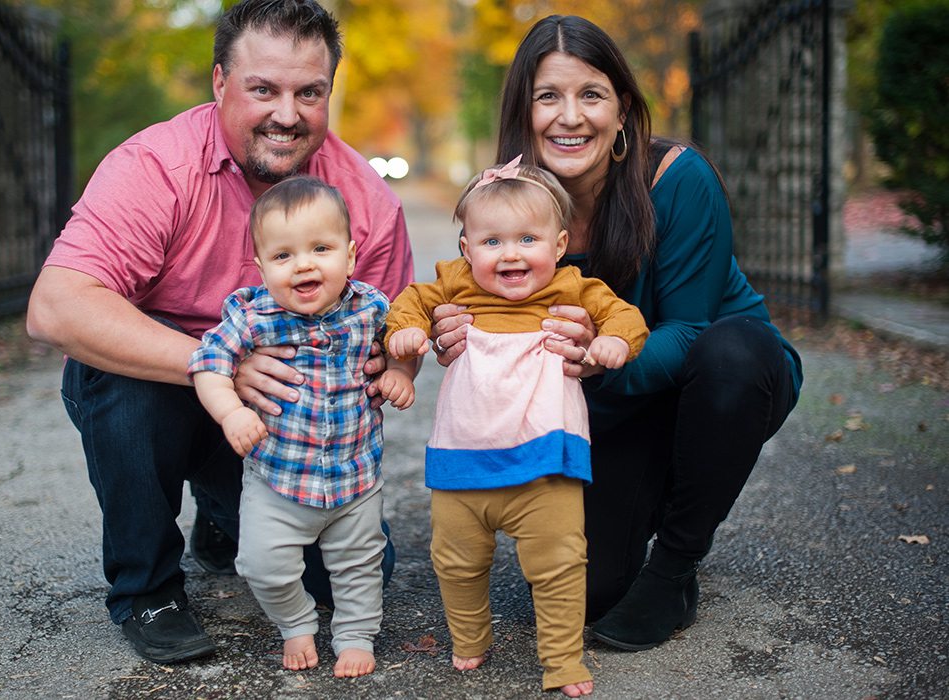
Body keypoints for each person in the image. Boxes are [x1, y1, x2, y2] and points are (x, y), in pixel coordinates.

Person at [25, 0, 414, 664]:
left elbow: (394, 331)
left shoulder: (367, 204)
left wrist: (398, 360)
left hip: (285, 424)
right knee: (121, 380)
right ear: (218, 84)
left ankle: (221, 514)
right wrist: (219, 365)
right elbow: (56, 308)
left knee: (349, 576)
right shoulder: (155, 167)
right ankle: (147, 588)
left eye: (308, 92)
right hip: (163, 384)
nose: (286, 114)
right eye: (263, 88)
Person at [432, 14, 803, 652]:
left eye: (591, 95)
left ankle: (675, 567)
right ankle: (647, 512)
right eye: (549, 96)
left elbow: (689, 329)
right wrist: (458, 339)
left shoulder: (677, 179)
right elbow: (480, 313)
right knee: (592, 593)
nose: (570, 116)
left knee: (735, 349)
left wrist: (601, 358)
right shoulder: (508, 202)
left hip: (714, 381)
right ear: (524, 111)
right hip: (605, 409)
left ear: (623, 109)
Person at [386, 159, 649, 696]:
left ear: (558, 245)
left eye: (527, 239)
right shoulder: (456, 283)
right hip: (462, 455)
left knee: (559, 564)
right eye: (491, 242)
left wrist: (614, 342)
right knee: (456, 561)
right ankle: (470, 637)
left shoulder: (574, 287)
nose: (509, 254)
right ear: (466, 250)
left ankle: (562, 659)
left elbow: (627, 316)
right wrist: (406, 331)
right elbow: (411, 301)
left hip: (546, 456)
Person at [189, 176, 417, 677]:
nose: (305, 264)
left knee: (361, 567)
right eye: (284, 255)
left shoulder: (370, 308)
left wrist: (400, 371)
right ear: (261, 266)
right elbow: (207, 364)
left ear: (351, 256)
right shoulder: (252, 318)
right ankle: (296, 622)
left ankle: (356, 635)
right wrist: (231, 411)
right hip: (278, 480)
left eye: (321, 248)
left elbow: (404, 339)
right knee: (261, 565)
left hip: (354, 478)